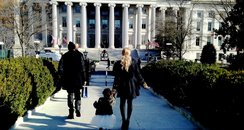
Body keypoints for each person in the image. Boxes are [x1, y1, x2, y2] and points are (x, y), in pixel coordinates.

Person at [112, 48, 150, 130]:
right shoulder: (134, 62)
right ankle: (128, 120)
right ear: (129, 54)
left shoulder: (118, 63)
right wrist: (143, 83)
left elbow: (116, 76)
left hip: (122, 85)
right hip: (131, 85)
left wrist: (114, 87)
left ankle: (123, 120)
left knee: (122, 103)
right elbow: (138, 74)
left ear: (122, 53)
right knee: (130, 103)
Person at [58, 42, 87, 119]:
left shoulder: (65, 56)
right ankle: (78, 108)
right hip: (78, 78)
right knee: (77, 94)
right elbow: (83, 68)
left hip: (68, 78)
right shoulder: (79, 55)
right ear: (74, 47)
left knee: (70, 94)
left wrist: (61, 76)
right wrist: (84, 78)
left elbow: (60, 68)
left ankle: (71, 112)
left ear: (68, 48)